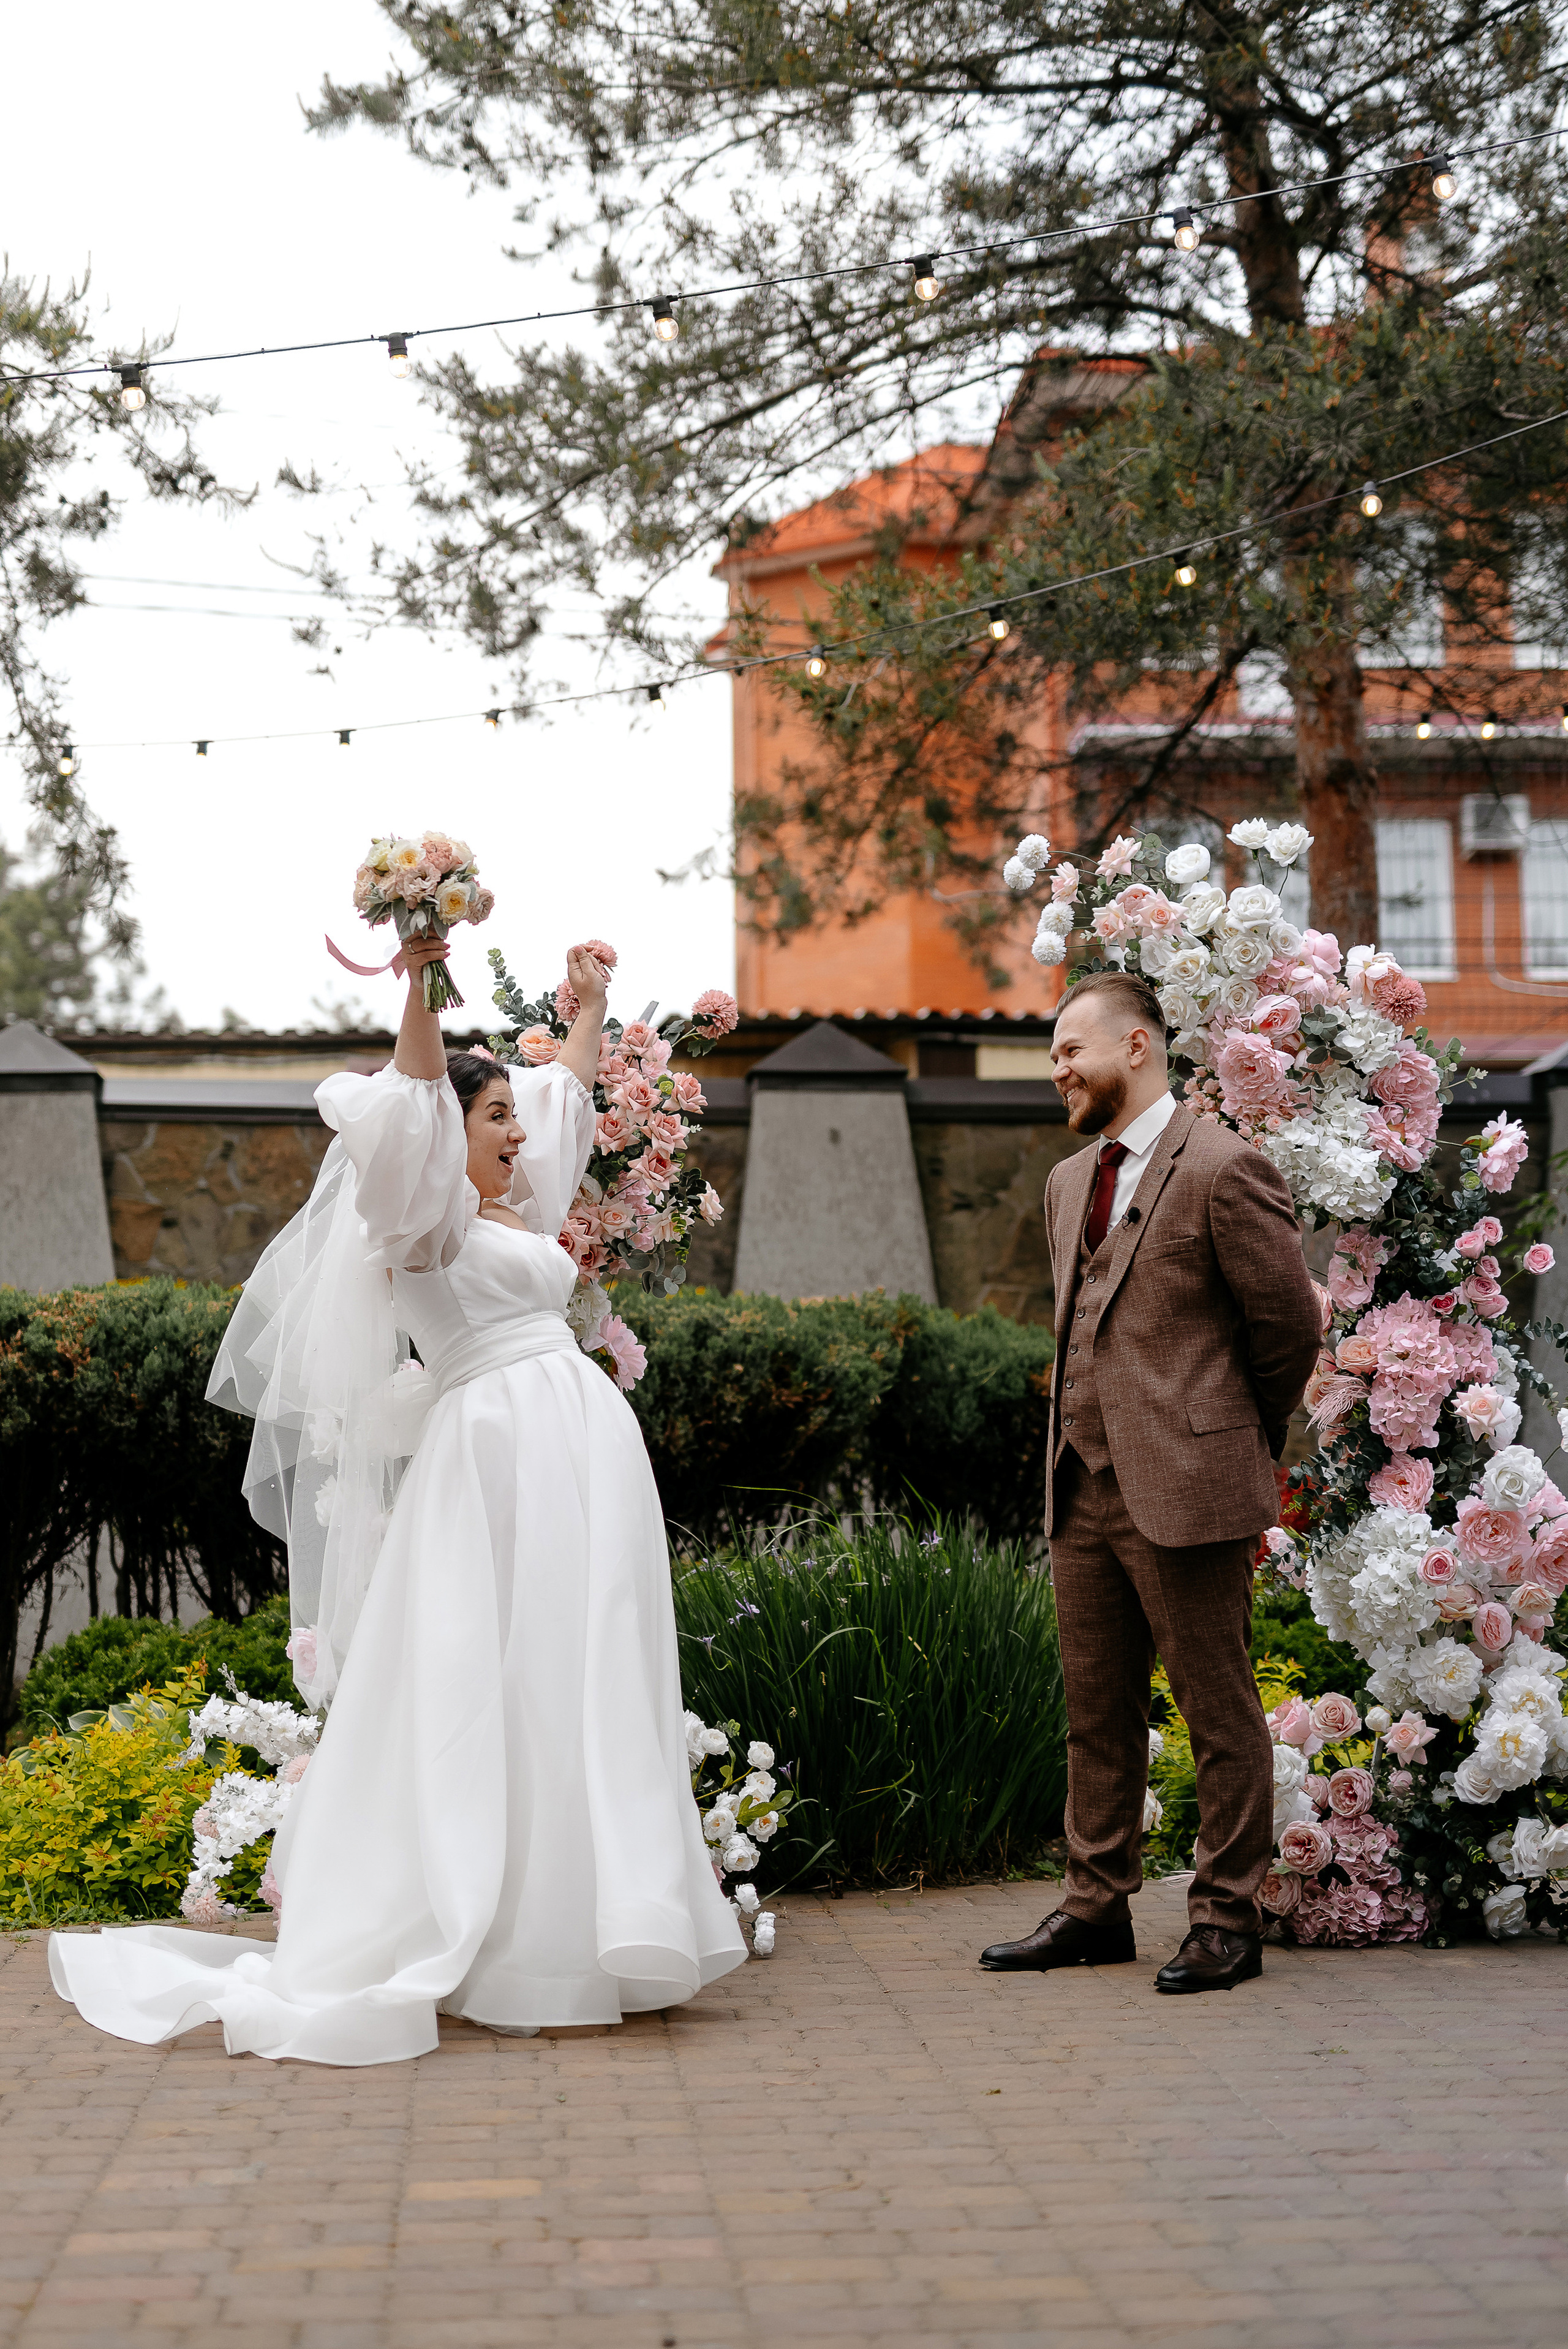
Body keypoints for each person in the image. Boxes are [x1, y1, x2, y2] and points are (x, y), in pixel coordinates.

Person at [50, 937, 745, 2063]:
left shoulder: (519, 1205)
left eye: (516, 1119)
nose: (518, 1134)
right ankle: (511, 1938)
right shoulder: (422, 1220)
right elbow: (417, 1093)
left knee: (584, 1660)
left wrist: (593, 1004)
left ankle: (592, 1918)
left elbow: (568, 1099)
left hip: (581, 1447)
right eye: (494, 1119)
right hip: (496, 1453)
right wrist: (420, 974)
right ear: (443, 1136)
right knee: (501, 1670)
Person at [978, 968, 1320, 1994]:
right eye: (1050, 1056)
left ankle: (1225, 1918)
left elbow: (1290, 1326)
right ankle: (1096, 1906)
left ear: (1137, 1045)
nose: (1057, 1071)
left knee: (1217, 1712)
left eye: (1069, 1050)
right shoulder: (1065, 1180)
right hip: (1080, 1481)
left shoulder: (1224, 1165)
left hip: (1189, 1484)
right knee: (1098, 1707)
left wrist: (1231, 1433)